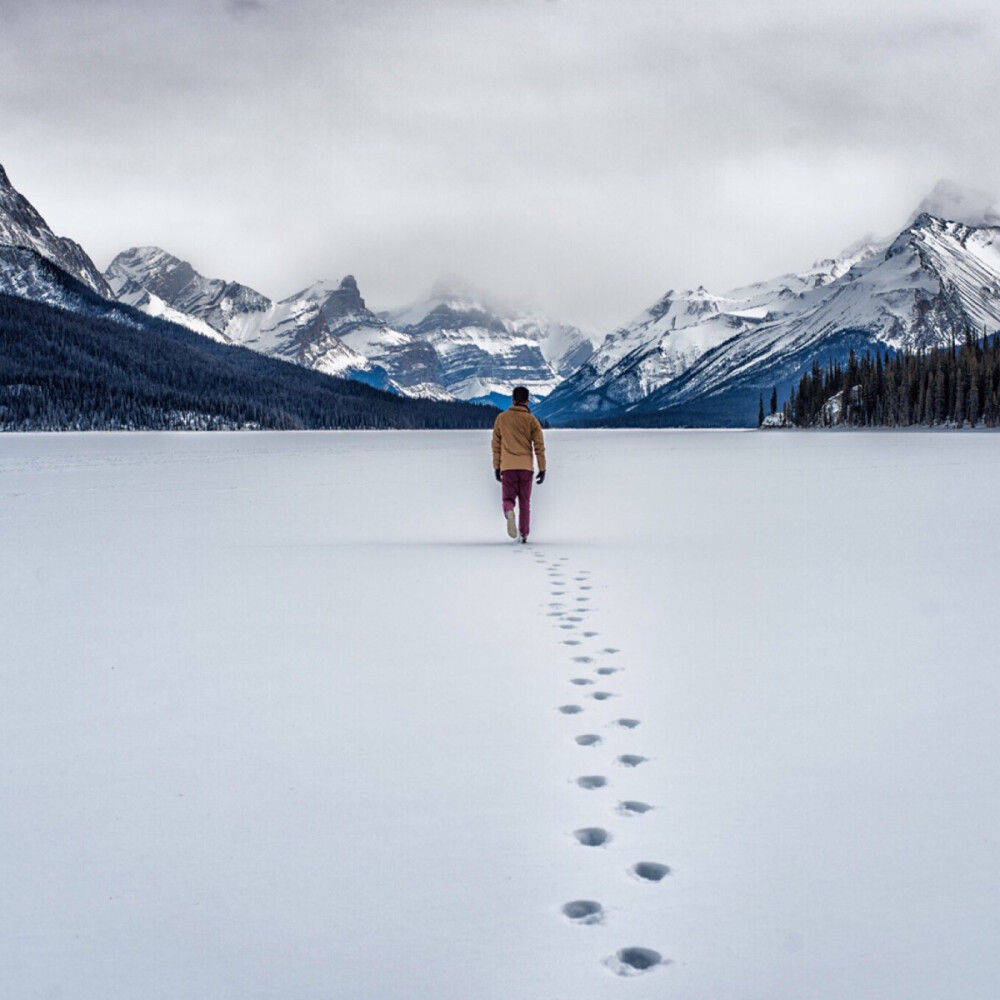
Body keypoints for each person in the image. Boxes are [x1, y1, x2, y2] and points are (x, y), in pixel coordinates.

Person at [492, 386, 546, 543]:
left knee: (508, 498)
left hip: (508, 467)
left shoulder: (501, 418)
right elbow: (539, 447)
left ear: (513, 401)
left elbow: (496, 445)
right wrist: (542, 469)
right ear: (528, 402)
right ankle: (524, 534)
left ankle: (509, 512)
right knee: (525, 502)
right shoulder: (532, 421)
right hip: (526, 468)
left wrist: (497, 466)